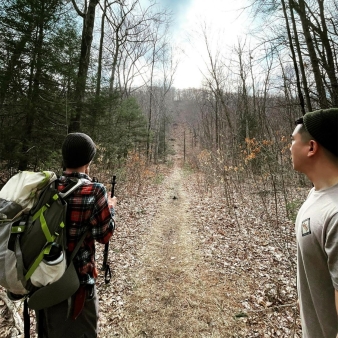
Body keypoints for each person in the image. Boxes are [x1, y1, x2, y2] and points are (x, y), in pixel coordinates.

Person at [36, 132, 117, 338]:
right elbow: (104, 235)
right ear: (88, 160)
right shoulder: (95, 191)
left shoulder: (48, 187)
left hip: (45, 284)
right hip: (78, 286)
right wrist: (110, 208)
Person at [290, 108, 338, 337]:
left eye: (293, 141)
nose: (289, 147)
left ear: (311, 147)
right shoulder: (316, 194)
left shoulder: (335, 214)